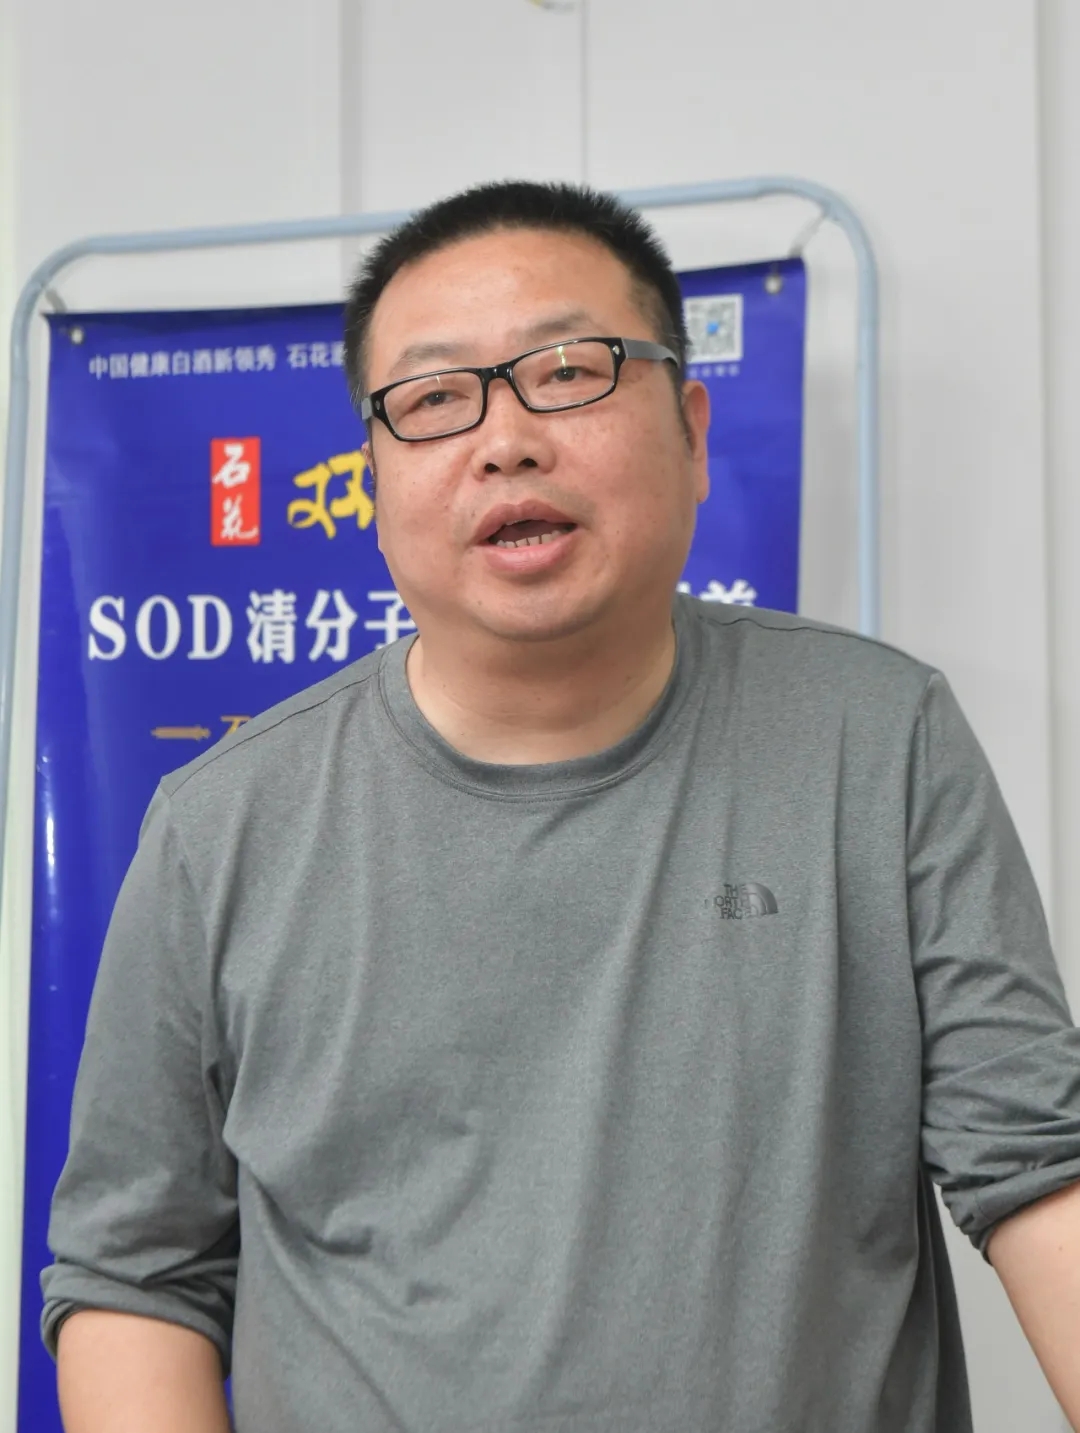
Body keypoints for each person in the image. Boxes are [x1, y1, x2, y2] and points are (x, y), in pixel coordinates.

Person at [43, 180, 1080, 1433]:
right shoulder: (220, 828)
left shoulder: (878, 737)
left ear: (691, 430)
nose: (506, 441)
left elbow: (1039, 1163)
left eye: (570, 372)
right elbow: (137, 1273)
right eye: (435, 398)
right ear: (373, 480)